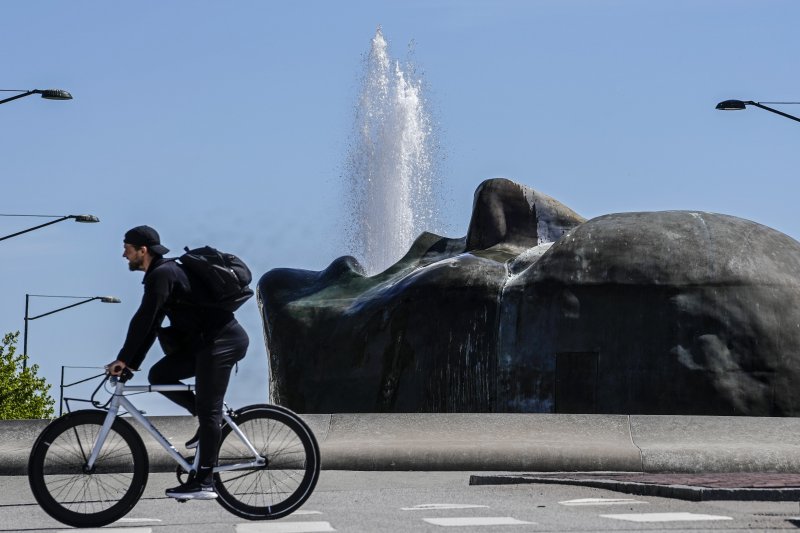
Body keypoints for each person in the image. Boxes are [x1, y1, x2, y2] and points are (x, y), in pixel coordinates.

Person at [106, 225, 249, 500]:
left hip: (222, 344)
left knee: (210, 409)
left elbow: (144, 320)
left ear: (142, 250)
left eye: (127, 249)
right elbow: (151, 326)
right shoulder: (163, 274)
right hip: (205, 344)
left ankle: (205, 480)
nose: (124, 255)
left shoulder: (162, 275)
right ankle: (212, 423)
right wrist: (131, 364)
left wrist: (123, 359)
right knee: (160, 375)